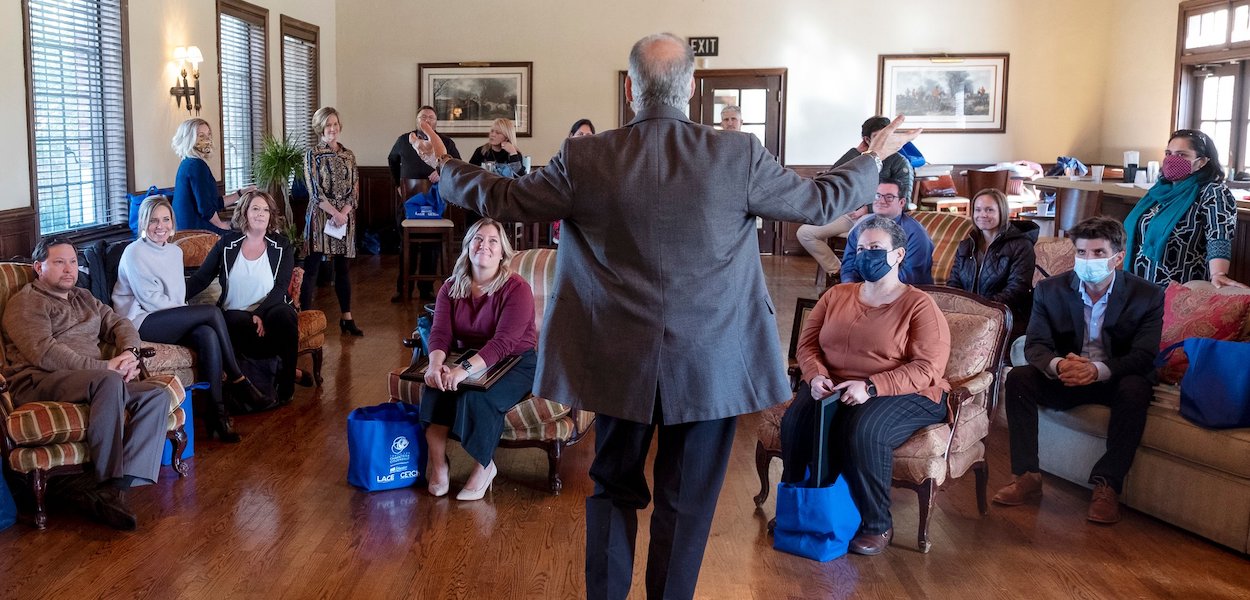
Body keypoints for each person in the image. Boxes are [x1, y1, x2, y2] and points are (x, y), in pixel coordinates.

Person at [411, 32, 919, 600]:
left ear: (631, 89)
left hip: (616, 362)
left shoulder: (584, 157)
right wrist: (873, 155)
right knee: (687, 501)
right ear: (692, 89)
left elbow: (503, 199)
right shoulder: (738, 154)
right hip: (710, 365)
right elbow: (822, 202)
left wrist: (446, 163)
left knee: (611, 490)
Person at [780, 216, 950, 556]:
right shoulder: (836, 295)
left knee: (864, 430)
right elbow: (808, 345)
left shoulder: (918, 305)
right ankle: (801, 512)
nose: (865, 255)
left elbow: (928, 368)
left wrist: (872, 387)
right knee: (796, 423)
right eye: (860, 248)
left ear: (898, 255)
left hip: (907, 391)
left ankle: (876, 524)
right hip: (833, 386)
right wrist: (814, 376)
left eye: (875, 248)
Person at [993, 217, 1165, 525]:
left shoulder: (1147, 295)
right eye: (1082, 252)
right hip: (1066, 376)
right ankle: (1027, 475)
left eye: (1098, 253)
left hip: (1114, 378)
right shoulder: (1050, 290)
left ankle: (1107, 485)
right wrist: (1059, 365)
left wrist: (1097, 370)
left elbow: (1144, 354)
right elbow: (1035, 345)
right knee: (1019, 378)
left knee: (1137, 387)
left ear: (1118, 257)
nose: (1088, 260)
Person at [2, 236, 172, 530]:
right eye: (59, 262)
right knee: (107, 381)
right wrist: (106, 367)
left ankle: (116, 486)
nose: (69, 269)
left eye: (72, 262)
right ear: (38, 267)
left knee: (155, 396)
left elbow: (120, 324)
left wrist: (130, 355)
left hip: (93, 378)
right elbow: (45, 353)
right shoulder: (26, 302)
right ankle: (106, 479)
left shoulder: (84, 297)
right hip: (40, 380)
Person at [113, 196, 270, 442]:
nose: (160, 226)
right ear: (144, 222)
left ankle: (217, 416)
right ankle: (239, 379)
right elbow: (152, 301)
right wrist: (187, 314)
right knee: (212, 313)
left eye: (165, 219)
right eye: (153, 220)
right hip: (141, 321)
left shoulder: (174, 251)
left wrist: (187, 316)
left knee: (207, 334)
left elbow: (178, 296)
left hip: (169, 318)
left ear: (172, 223)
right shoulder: (134, 252)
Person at [421, 218, 538, 501]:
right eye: (478, 239)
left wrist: (463, 371)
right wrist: (435, 365)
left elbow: (503, 342)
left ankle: (484, 467)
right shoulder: (450, 287)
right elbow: (439, 332)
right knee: (436, 388)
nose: (484, 245)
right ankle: (438, 466)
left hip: (516, 361)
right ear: (468, 246)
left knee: (477, 397)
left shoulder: (516, 288)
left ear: (502, 253)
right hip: (468, 356)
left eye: (492, 241)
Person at [186, 191, 302, 405]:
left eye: (265, 210)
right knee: (234, 321)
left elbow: (280, 287)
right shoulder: (226, 244)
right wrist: (171, 298)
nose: (261, 214)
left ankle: (286, 388)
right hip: (236, 316)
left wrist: (260, 313)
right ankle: (277, 367)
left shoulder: (281, 245)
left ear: (271, 215)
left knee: (285, 315)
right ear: (245, 212)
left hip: (271, 310)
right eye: (255, 209)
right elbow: (201, 279)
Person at [1124, 129, 1246, 288]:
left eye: (1181, 155)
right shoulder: (1158, 192)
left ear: (1201, 162)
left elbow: (1219, 235)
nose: (1172, 159)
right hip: (1139, 287)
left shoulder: (1212, 192)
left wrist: (1218, 273)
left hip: (1180, 290)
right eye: (1169, 153)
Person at [798, 116, 915, 275]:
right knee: (805, 233)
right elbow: (832, 177)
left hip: (879, 219)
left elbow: (904, 202)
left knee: (861, 236)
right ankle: (838, 272)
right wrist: (856, 152)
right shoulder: (862, 158)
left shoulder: (901, 162)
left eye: (886, 135)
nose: (883, 141)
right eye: (877, 137)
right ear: (867, 139)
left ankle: (857, 276)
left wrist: (867, 209)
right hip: (849, 213)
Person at [299, 106, 363, 336]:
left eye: (335, 124)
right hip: (320, 216)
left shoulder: (348, 154)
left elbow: (354, 190)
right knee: (313, 267)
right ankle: (305, 318)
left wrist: (343, 213)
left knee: (343, 268)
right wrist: (333, 213)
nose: (333, 128)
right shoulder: (312, 154)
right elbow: (314, 191)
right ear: (320, 128)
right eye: (328, 125)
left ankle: (346, 317)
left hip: (344, 216)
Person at [388, 105, 461, 302]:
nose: (427, 120)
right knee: (406, 247)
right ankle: (404, 289)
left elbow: (457, 167)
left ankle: (427, 290)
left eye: (431, 117)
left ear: (436, 121)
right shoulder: (404, 140)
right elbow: (392, 160)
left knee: (432, 247)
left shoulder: (445, 143)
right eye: (423, 117)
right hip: (409, 203)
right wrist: (397, 184)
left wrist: (442, 171)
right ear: (417, 120)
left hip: (436, 202)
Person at [946, 188, 1039, 338]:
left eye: (989, 210)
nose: (982, 214)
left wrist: (981, 309)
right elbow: (954, 283)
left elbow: (1017, 289)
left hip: (1005, 319)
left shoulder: (1021, 245)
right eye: (978, 210)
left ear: (1002, 212)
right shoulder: (966, 245)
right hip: (967, 316)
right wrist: (962, 309)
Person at [841, 179, 934, 284]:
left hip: (904, 294)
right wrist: (849, 288)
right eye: (878, 195)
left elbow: (910, 276)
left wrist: (872, 289)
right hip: (863, 291)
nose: (881, 201)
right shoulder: (861, 228)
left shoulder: (916, 234)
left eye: (889, 197)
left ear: (902, 202)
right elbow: (848, 267)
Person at [170, 118, 252, 236]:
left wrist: (240, 193)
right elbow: (206, 209)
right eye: (201, 136)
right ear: (189, 139)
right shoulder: (197, 165)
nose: (207, 140)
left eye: (208, 135)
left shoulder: (187, 163)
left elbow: (213, 203)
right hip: (196, 233)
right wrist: (220, 224)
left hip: (186, 229)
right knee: (249, 235)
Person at [553, 119, 599, 244]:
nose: (584, 139)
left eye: (588, 136)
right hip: (566, 209)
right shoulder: (561, 160)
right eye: (580, 134)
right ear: (571, 137)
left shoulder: (598, 162)